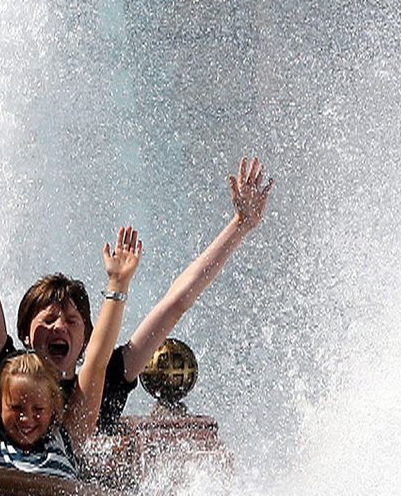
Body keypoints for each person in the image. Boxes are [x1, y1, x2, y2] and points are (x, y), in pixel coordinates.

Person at [16, 157, 274, 429]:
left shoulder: (107, 381)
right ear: (25, 333)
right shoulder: (3, 383)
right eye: (48, 319)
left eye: (71, 321)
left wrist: (239, 226)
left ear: (86, 340)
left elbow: (175, 304)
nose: (59, 327)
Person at [0, 219, 140, 478]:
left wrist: (118, 284)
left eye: (38, 410)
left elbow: (97, 362)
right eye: (16, 408)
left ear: (54, 409)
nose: (26, 419)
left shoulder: (67, 439)